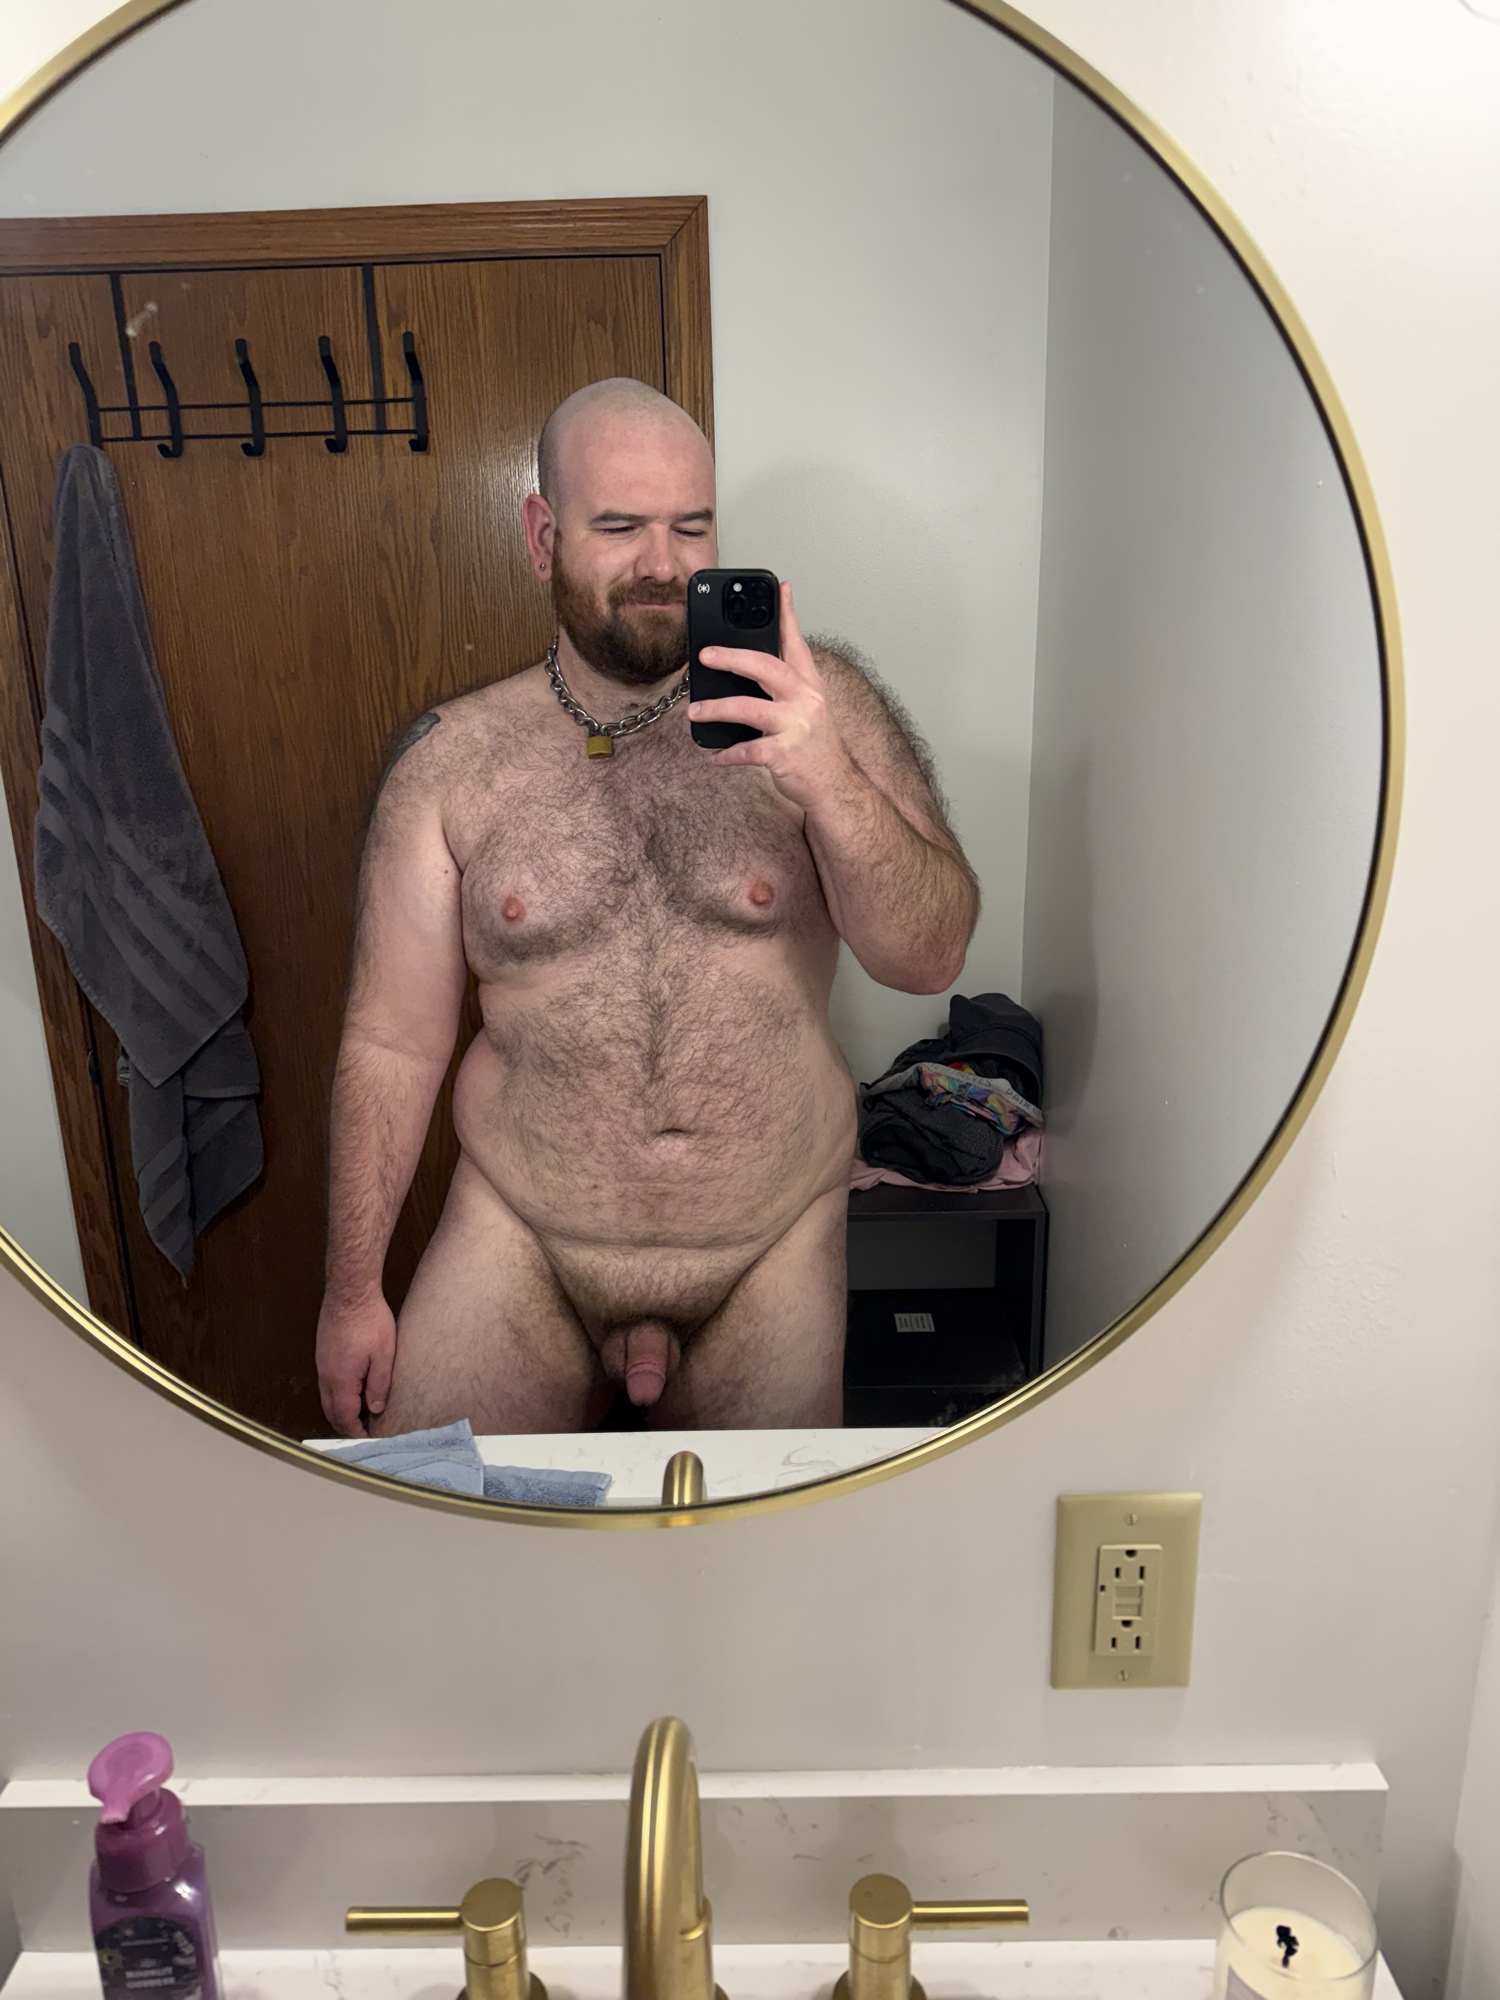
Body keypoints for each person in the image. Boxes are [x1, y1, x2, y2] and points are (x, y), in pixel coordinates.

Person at [315, 378, 978, 1437]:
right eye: (620, 527)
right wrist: (352, 1292)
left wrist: (827, 780)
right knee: (428, 1520)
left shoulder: (821, 709)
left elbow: (930, 954)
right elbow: (392, 1040)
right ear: (543, 537)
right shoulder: (452, 761)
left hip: (769, 1245)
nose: (664, 563)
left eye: (691, 526)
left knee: (763, 1545)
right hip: (523, 1237)